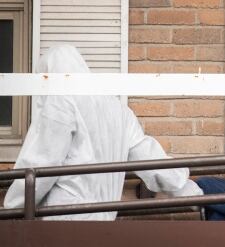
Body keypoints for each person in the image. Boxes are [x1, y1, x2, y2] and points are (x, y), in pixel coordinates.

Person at [3, 45, 202, 220]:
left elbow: (41, 160)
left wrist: (12, 207)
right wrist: (192, 192)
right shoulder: (119, 110)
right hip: (105, 217)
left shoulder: (60, 102)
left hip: (63, 217)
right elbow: (148, 157)